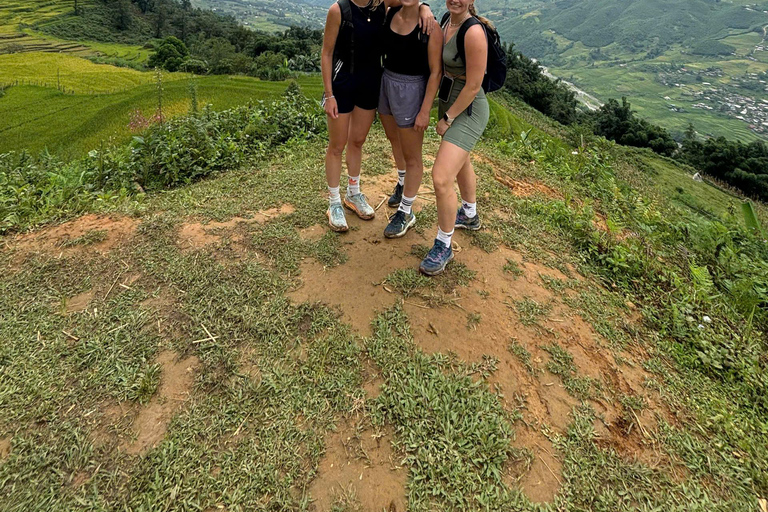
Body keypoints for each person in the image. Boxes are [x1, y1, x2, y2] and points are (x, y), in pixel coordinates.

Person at [321, 0, 435, 232]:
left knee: (358, 140)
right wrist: (329, 94)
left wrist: (425, 7)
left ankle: (353, 193)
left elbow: (410, 1)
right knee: (336, 145)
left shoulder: (381, 4)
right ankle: (333, 202)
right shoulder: (338, 9)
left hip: (370, 82)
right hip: (342, 83)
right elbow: (327, 53)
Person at [419, 0, 490, 275]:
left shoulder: (472, 31)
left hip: (468, 108)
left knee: (440, 177)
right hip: (451, 100)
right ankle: (469, 215)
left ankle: (444, 244)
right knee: (461, 161)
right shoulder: (448, 20)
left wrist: (448, 118)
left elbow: (474, 85)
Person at [378, 0, 442, 238]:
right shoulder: (390, 11)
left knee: (413, 155)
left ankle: (406, 212)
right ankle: (403, 182)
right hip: (387, 83)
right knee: (393, 138)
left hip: (412, 89)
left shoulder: (430, 28)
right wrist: (422, 5)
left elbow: (436, 72)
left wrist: (425, 110)